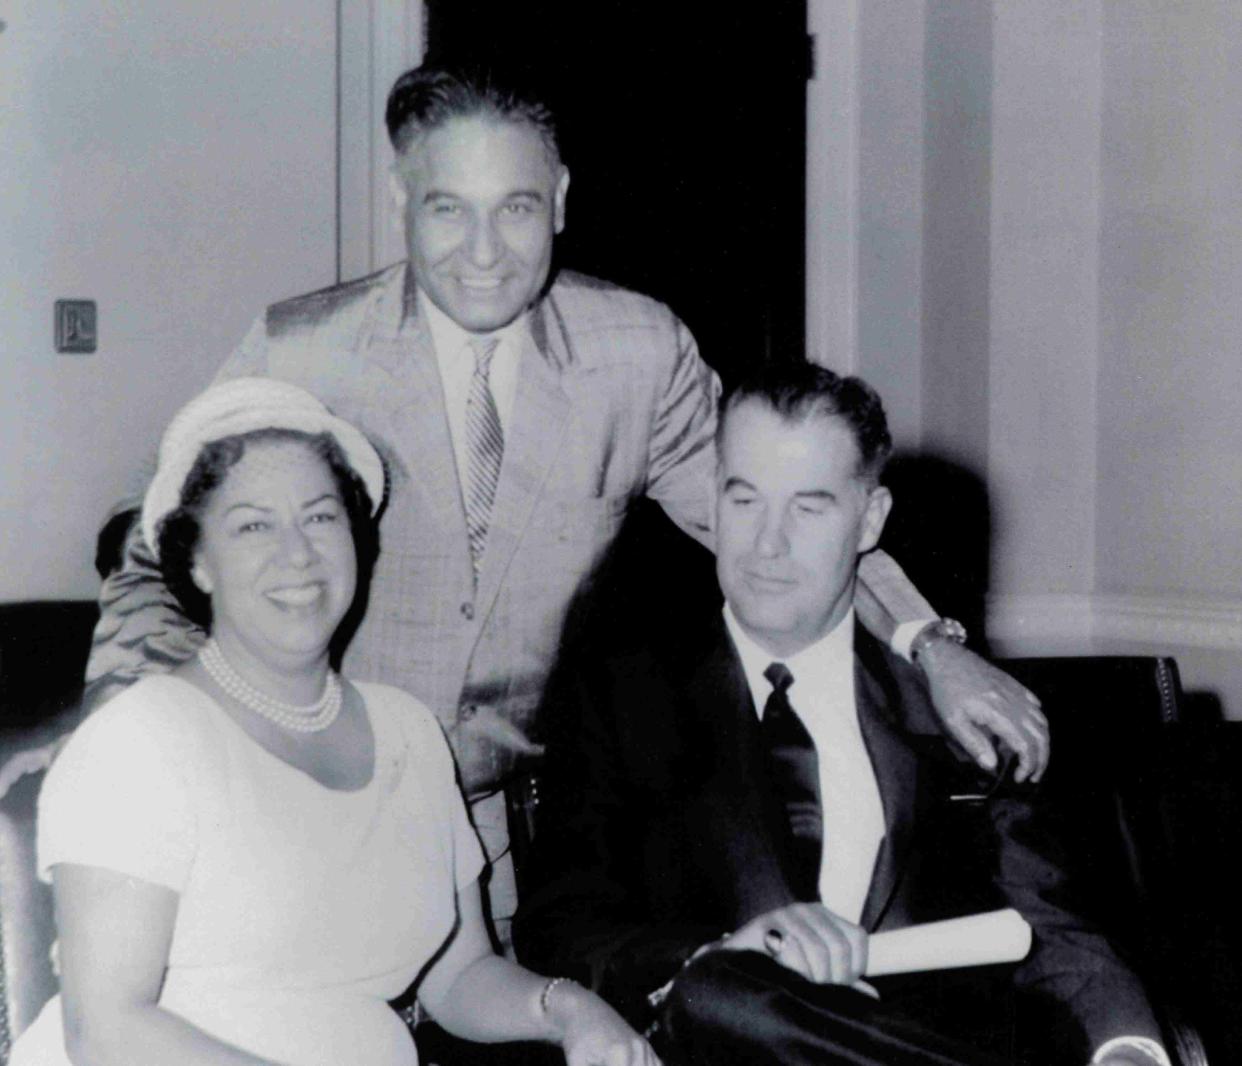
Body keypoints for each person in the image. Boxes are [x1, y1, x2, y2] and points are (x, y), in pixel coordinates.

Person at [71, 65, 1046, 939]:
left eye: (518, 208)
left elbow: (785, 521)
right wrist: (129, 741)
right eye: (448, 209)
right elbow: (156, 544)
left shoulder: (639, 352)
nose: (484, 251)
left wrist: (931, 643)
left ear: (563, 201)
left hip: (500, 851)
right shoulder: (302, 350)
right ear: (401, 201)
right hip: (295, 812)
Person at [513, 364, 1168, 1066]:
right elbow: (562, 921)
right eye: (744, 501)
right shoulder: (620, 693)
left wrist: (1128, 1050)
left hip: (931, 1036)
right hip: (711, 1051)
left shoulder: (957, 711)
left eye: (809, 507)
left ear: (871, 519)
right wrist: (716, 952)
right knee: (717, 992)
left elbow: (1051, 929)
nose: (767, 544)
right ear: (713, 499)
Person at [10, 378, 658, 1066]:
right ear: (196, 560)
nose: (298, 554)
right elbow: (107, 1030)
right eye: (253, 525)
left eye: (320, 517)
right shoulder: (142, 739)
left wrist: (573, 1011)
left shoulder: (409, 733)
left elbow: (458, 974)